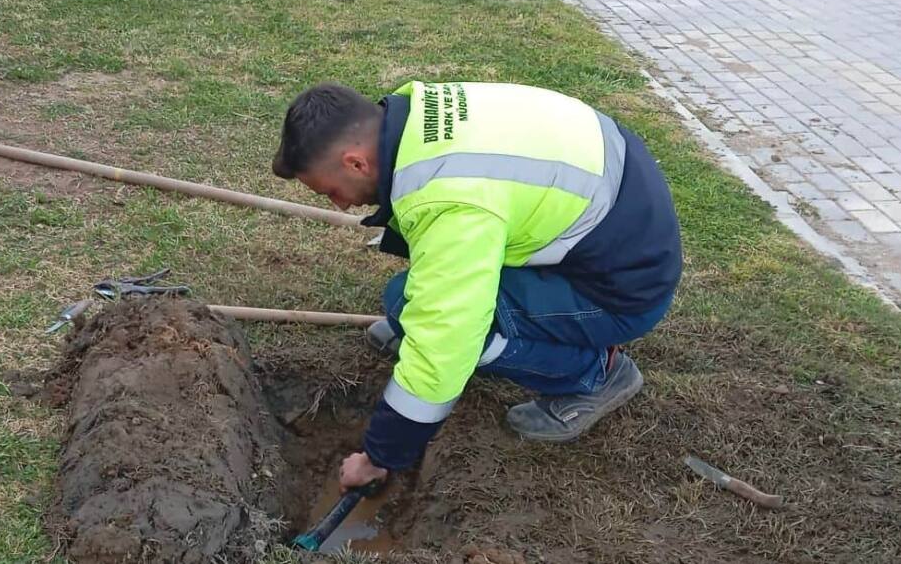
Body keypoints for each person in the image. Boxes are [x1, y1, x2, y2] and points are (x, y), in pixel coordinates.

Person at [270, 80, 682, 492]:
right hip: (611, 227)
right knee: (408, 303)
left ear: (356, 163)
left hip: (621, 287)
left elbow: (446, 342)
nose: (339, 205)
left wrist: (379, 457)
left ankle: (597, 374)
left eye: (330, 191)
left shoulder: (449, 199)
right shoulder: (418, 112)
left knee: (452, 330)